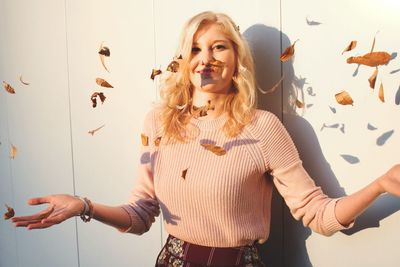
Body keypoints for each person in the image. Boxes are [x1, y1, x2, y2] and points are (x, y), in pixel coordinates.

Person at [12, 11, 400, 267]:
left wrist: (381, 184)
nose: (206, 58)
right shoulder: (160, 122)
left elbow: (319, 215)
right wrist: (83, 206)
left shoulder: (262, 127)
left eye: (218, 46)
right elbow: (140, 213)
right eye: (195, 48)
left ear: (236, 59)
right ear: (184, 60)